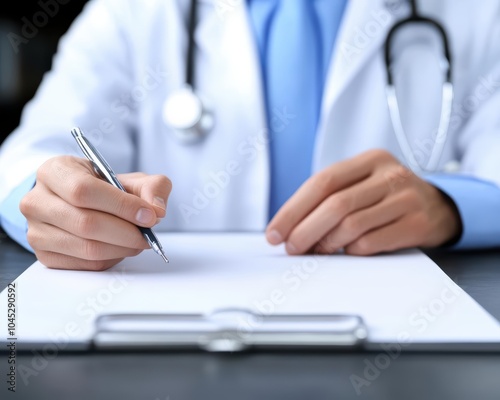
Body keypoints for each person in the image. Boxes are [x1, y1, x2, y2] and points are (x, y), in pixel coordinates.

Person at [0, 0, 499, 271]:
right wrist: (53, 201)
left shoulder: (478, 12)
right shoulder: (131, 12)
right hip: (179, 336)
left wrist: (448, 205)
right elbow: (29, 155)